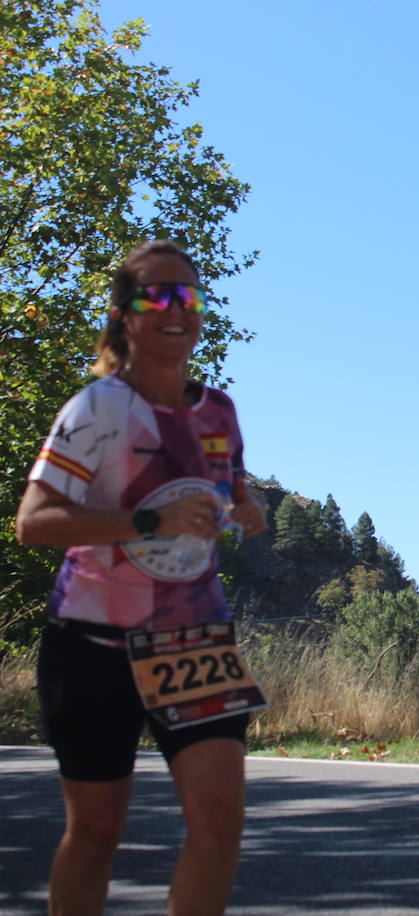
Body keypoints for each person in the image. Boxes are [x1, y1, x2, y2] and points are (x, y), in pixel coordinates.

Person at [15, 239, 268, 915]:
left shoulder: (218, 412)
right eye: (157, 294)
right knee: (95, 831)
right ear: (125, 315)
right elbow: (34, 522)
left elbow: (230, 488)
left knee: (220, 824)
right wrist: (146, 524)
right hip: (95, 642)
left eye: (188, 296)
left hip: (196, 639)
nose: (175, 309)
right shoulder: (97, 409)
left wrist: (247, 508)